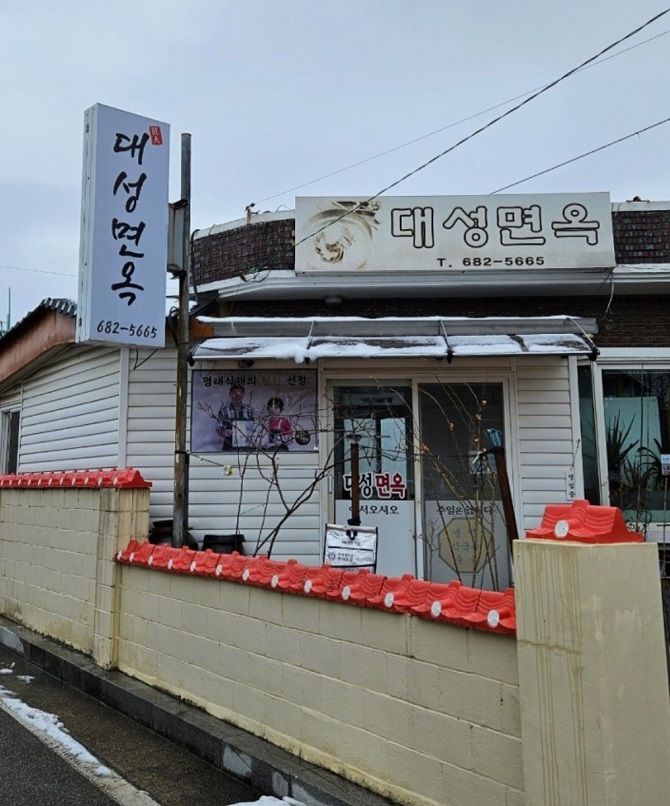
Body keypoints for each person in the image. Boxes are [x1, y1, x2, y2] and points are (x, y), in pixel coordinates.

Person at [216, 384, 256, 450]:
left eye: (240, 393)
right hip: (229, 446)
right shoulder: (223, 411)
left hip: (246, 447)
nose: (237, 395)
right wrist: (224, 432)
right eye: (234, 393)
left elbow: (254, 428)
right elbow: (218, 429)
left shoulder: (249, 410)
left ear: (243, 395)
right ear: (230, 394)